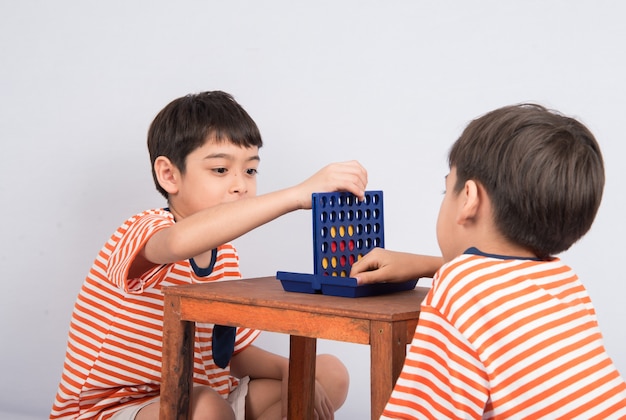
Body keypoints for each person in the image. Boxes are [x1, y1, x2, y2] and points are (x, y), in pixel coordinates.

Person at [51, 91, 365, 420]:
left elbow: (231, 353)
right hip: (116, 409)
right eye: (220, 170)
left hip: (206, 398)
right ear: (169, 175)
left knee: (326, 372)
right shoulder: (144, 230)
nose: (240, 186)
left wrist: (297, 373)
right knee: (206, 407)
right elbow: (176, 243)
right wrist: (296, 195)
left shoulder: (225, 255)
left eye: (250, 171)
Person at [351, 104, 626, 419]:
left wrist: (448, 273)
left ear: (469, 198)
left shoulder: (460, 288)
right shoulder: (565, 282)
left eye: (446, 189)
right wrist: (431, 265)